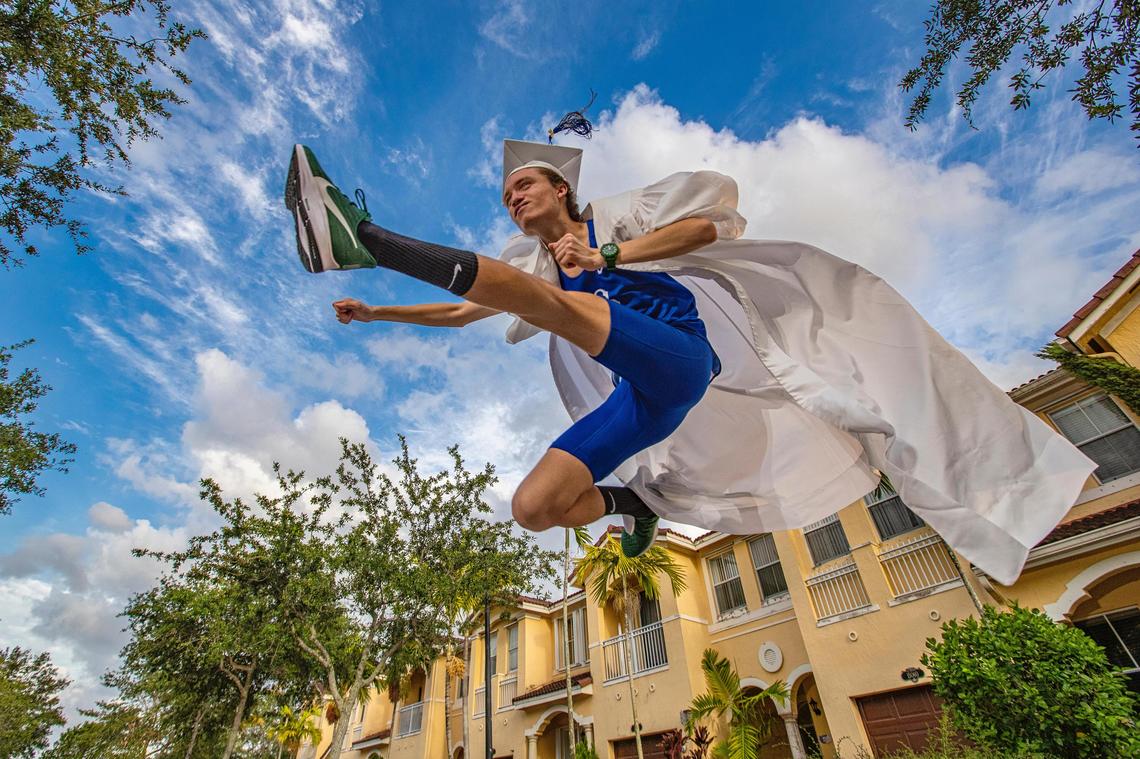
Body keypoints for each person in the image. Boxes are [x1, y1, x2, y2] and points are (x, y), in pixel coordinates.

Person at [285, 139, 1095, 583]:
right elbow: (465, 310)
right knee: (534, 506)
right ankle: (630, 507)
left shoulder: (619, 215)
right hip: (648, 399)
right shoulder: (530, 265)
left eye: (526, 186)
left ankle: (368, 236)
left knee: (563, 305)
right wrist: (378, 310)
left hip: (682, 356)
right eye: (508, 196)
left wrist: (611, 253)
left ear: (563, 188)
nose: (515, 199)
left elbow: (713, 227)